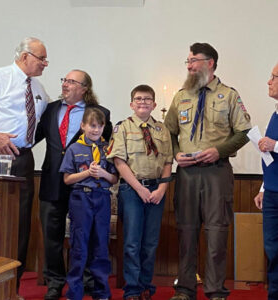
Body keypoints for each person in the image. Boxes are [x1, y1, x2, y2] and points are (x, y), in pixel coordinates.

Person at [164, 42, 252, 300]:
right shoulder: (182, 96)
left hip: (217, 172)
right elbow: (169, 132)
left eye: (193, 60)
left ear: (210, 62)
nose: (189, 65)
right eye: (187, 61)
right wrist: (177, 152)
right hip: (187, 174)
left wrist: (219, 151)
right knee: (186, 232)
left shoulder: (229, 95)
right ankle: (185, 289)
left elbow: (244, 133)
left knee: (216, 233)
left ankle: (215, 291)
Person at [0, 37, 49, 299]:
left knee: (18, 226)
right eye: (41, 58)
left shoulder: (39, 87)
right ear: (24, 57)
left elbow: (44, 122)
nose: (45, 64)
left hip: (23, 159)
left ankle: (12, 289)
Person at [34, 69, 112, 300]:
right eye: (64, 80)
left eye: (71, 81)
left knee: (87, 235)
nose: (65, 84)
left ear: (84, 88)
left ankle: (87, 281)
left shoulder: (100, 114)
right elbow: (34, 137)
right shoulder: (50, 110)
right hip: (51, 180)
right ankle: (55, 282)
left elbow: (105, 150)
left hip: (87, 186)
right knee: (52, 235)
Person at [107, 84, 173, 300]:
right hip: (132, 190)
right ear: (131, 104)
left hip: (157, 190)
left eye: (147, 99)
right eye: (138, 99)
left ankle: (146, 286)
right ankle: (133, 289)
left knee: (151, 242)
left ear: (154, 104)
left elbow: (167, 162)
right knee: (133, 242)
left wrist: (162, 188)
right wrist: (139, 189)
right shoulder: (122, 127)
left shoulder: (162, 130)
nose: (143, 102)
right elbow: (119, 161)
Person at [59, 107, 118, 300]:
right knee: (79, 246)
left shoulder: (107, 148)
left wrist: (103, 174)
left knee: (101, 245)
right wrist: (87, 173)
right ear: (83, 126)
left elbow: (114, 179)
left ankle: (101, 292)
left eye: (100, 126)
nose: (96, 130)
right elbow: (67, 179)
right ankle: (74, 292)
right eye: (92, 126)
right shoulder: (74, 148)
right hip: (81, 198)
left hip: (101, 198)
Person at [254, 63, 278, 300]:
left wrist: (275, 145)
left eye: (273, 77)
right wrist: (263, 187)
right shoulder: (276, 113)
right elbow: (271, 159)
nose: (269, 82)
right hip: (272, 192)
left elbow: (275, 149)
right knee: (272, 250)